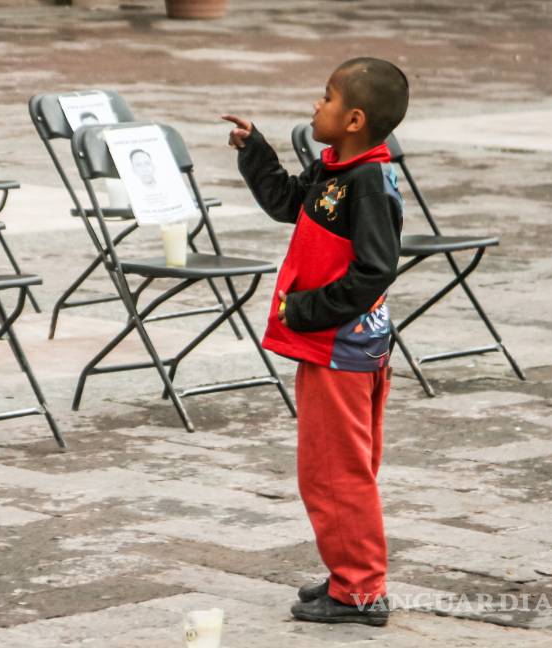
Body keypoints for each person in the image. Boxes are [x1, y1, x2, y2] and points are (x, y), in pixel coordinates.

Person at [223, 57, 408, 627]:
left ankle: (358, 591)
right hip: (337, 347)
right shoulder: (334, 169)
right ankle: (350, 573)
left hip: (340, 351)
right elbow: (285, 202)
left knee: (334, 473)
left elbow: (375, 270)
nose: (315, 106)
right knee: (342, 469)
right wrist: (256, 151)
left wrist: (303, 310)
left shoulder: (369, 183)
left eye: (325, 98)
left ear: (353, 119)